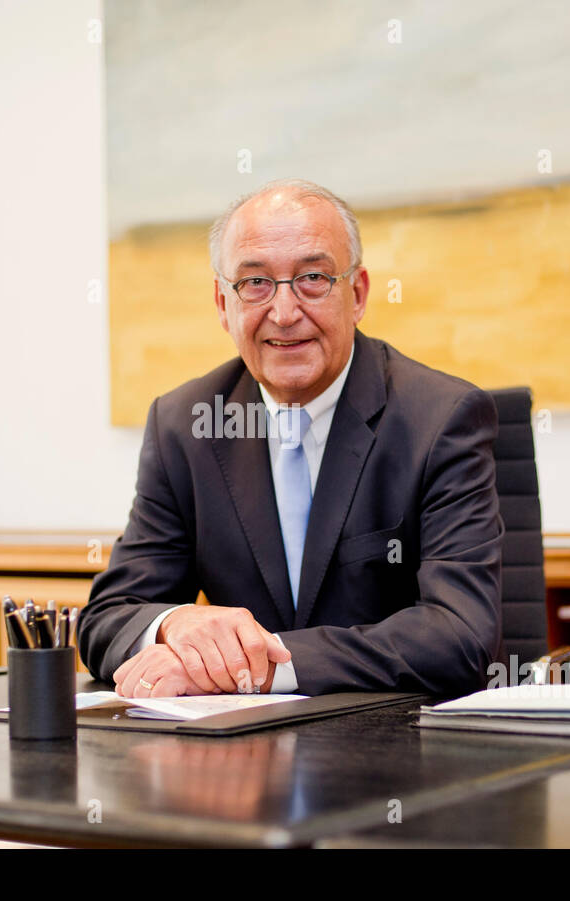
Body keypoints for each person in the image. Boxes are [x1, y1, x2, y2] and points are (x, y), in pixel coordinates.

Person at [78, 179, 502, 698]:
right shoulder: (185, 424)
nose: (283, 312)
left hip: (399, 755)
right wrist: (174, 624)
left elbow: (458, 635)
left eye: (313, 278)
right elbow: (106, 618)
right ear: (222, 303)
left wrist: (258, 666)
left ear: (359, 293)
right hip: (243, 762)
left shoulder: (439, 418)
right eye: (254, 282)